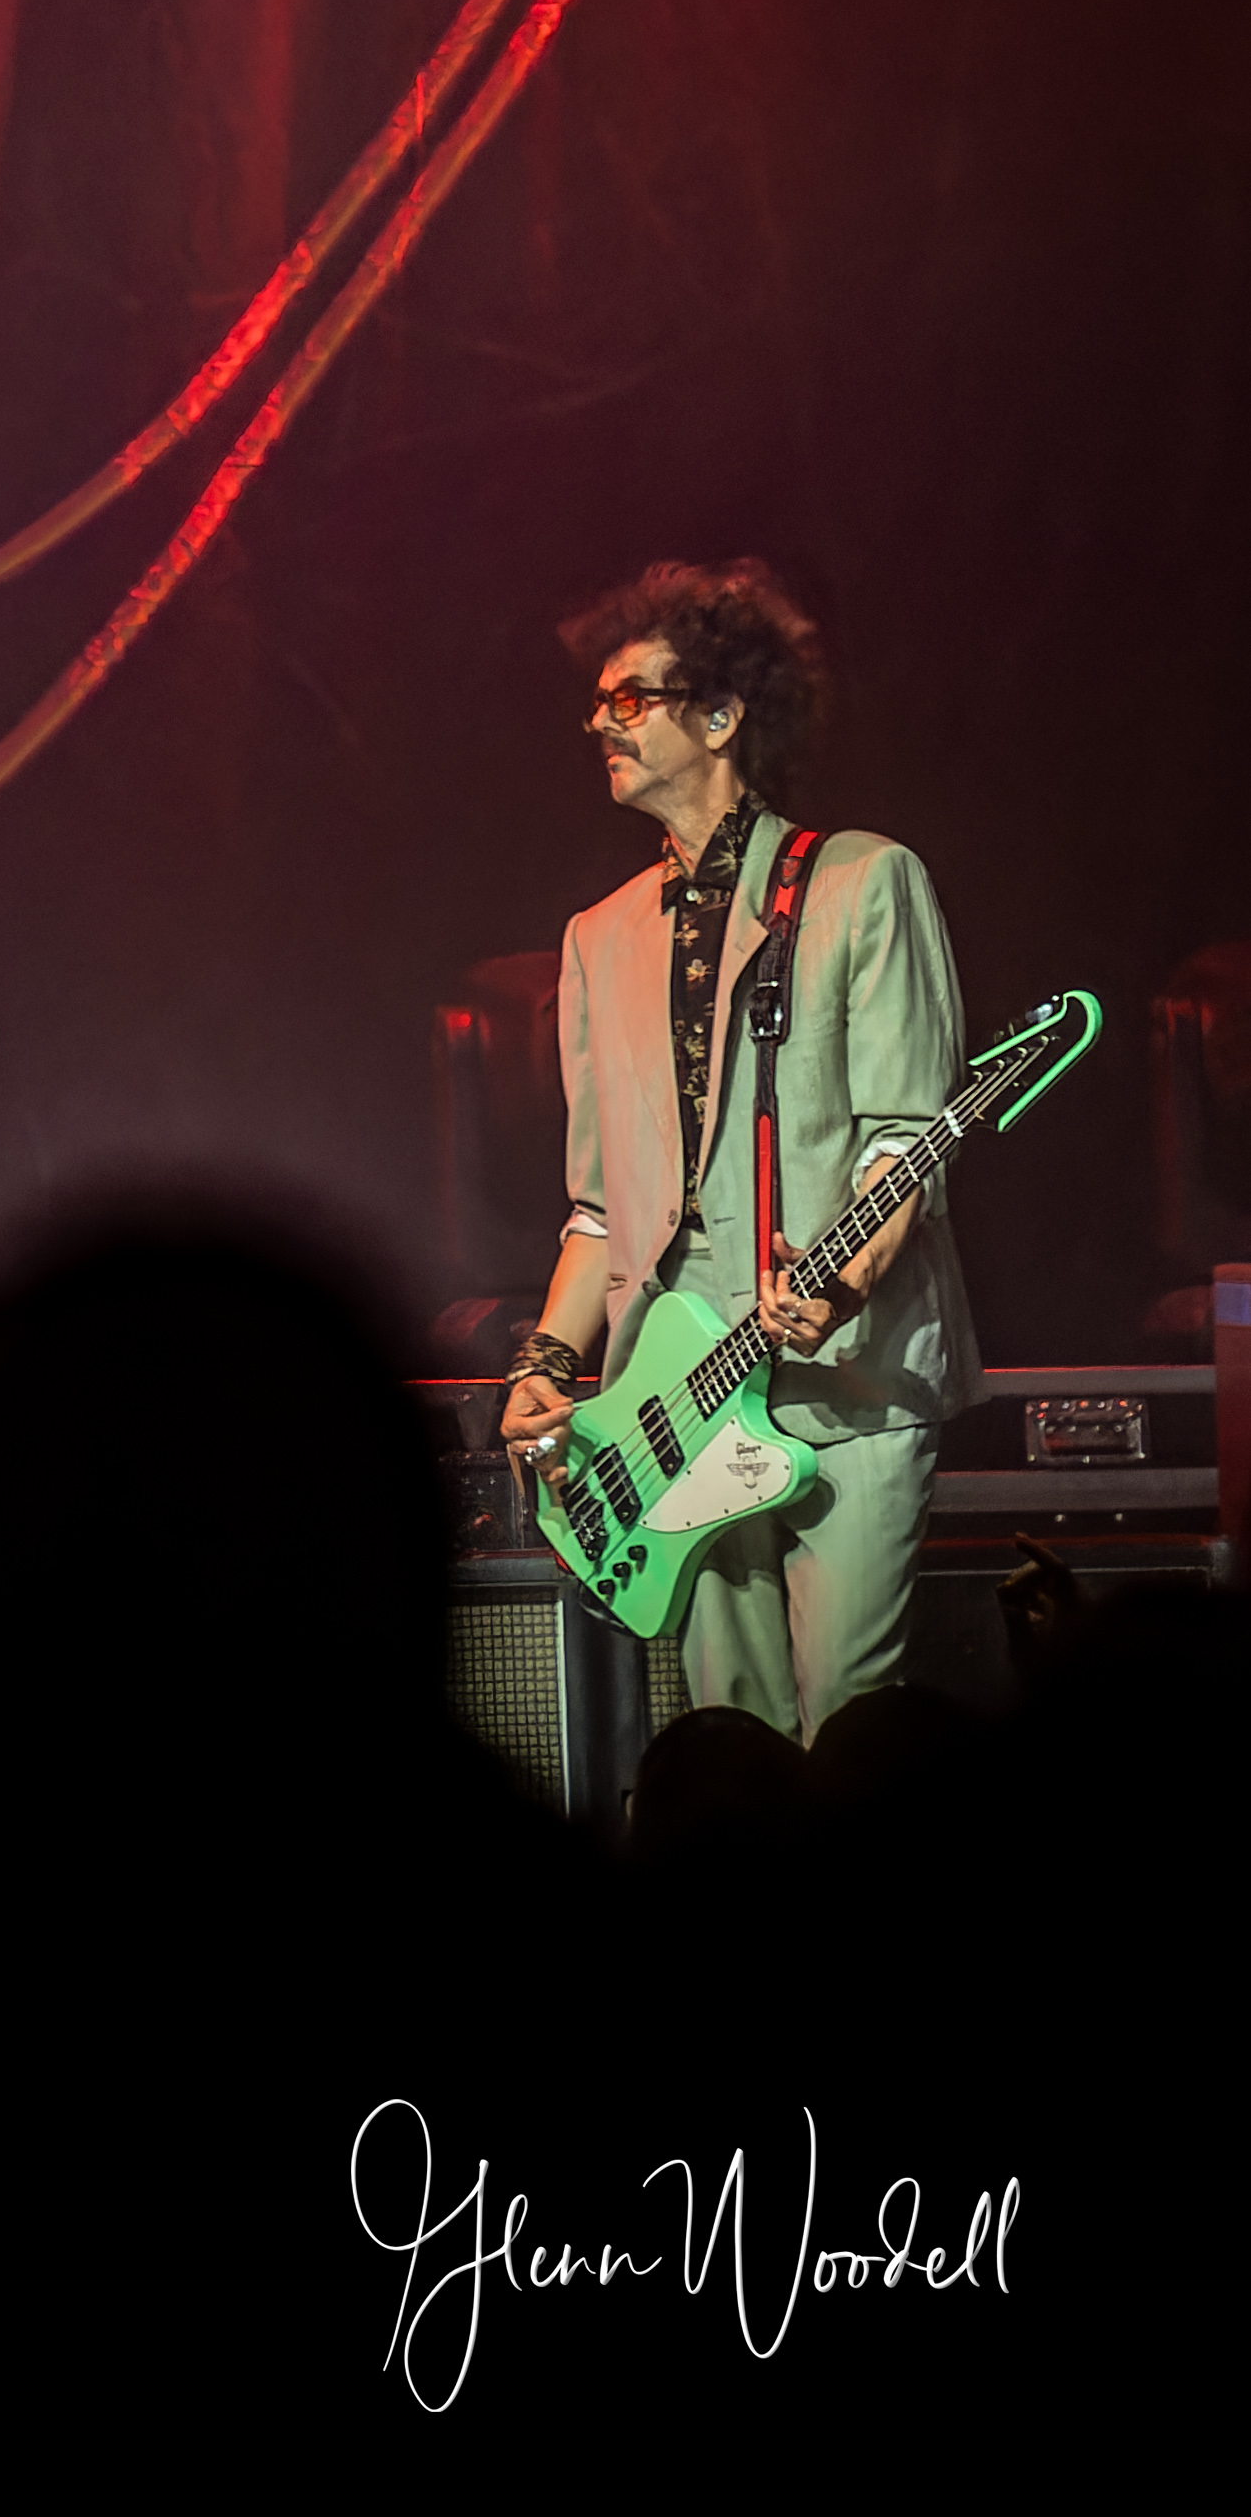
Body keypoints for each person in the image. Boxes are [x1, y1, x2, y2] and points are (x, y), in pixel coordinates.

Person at [496, 562, 973, 1742]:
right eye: (596, 701)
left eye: (627, 698)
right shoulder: (595, 938)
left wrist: (842, 1280)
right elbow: (598, 1207)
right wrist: (546, 1359)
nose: (597, 722)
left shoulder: (864, 882)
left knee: (848, 1727)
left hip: (849, 1378)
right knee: (733, 1737)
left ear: (717, 715)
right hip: (679, 1400)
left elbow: (904, 1138)